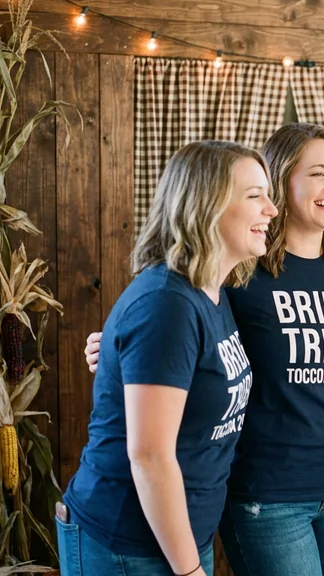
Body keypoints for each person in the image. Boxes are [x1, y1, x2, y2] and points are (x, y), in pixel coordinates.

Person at [84, 123, 324, 576]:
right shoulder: (238, 274)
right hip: (263, 490)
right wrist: (116, 352)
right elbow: (164, 336)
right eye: (318, 173)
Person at [59, 141, 278, 576]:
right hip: (127, 542)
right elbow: (149, 455)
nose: (271, 210)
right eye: (255, 196)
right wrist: (189, 570)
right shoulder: (168, 303)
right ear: (207, 205)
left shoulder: (212, 293)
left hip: (176, 540)